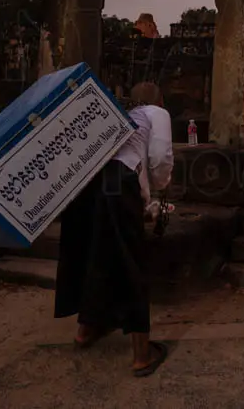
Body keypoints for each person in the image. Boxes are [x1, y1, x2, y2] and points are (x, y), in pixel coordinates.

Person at [54, 81, 174, 377]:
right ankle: (142, 354)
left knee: (97, 253)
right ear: (158, 100)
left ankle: (86, 330)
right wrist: (160, 185)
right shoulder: (156, 113)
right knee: (132, 262)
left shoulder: (118, 115)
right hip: (119, 183)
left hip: (87, 183)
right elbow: (160, 158)